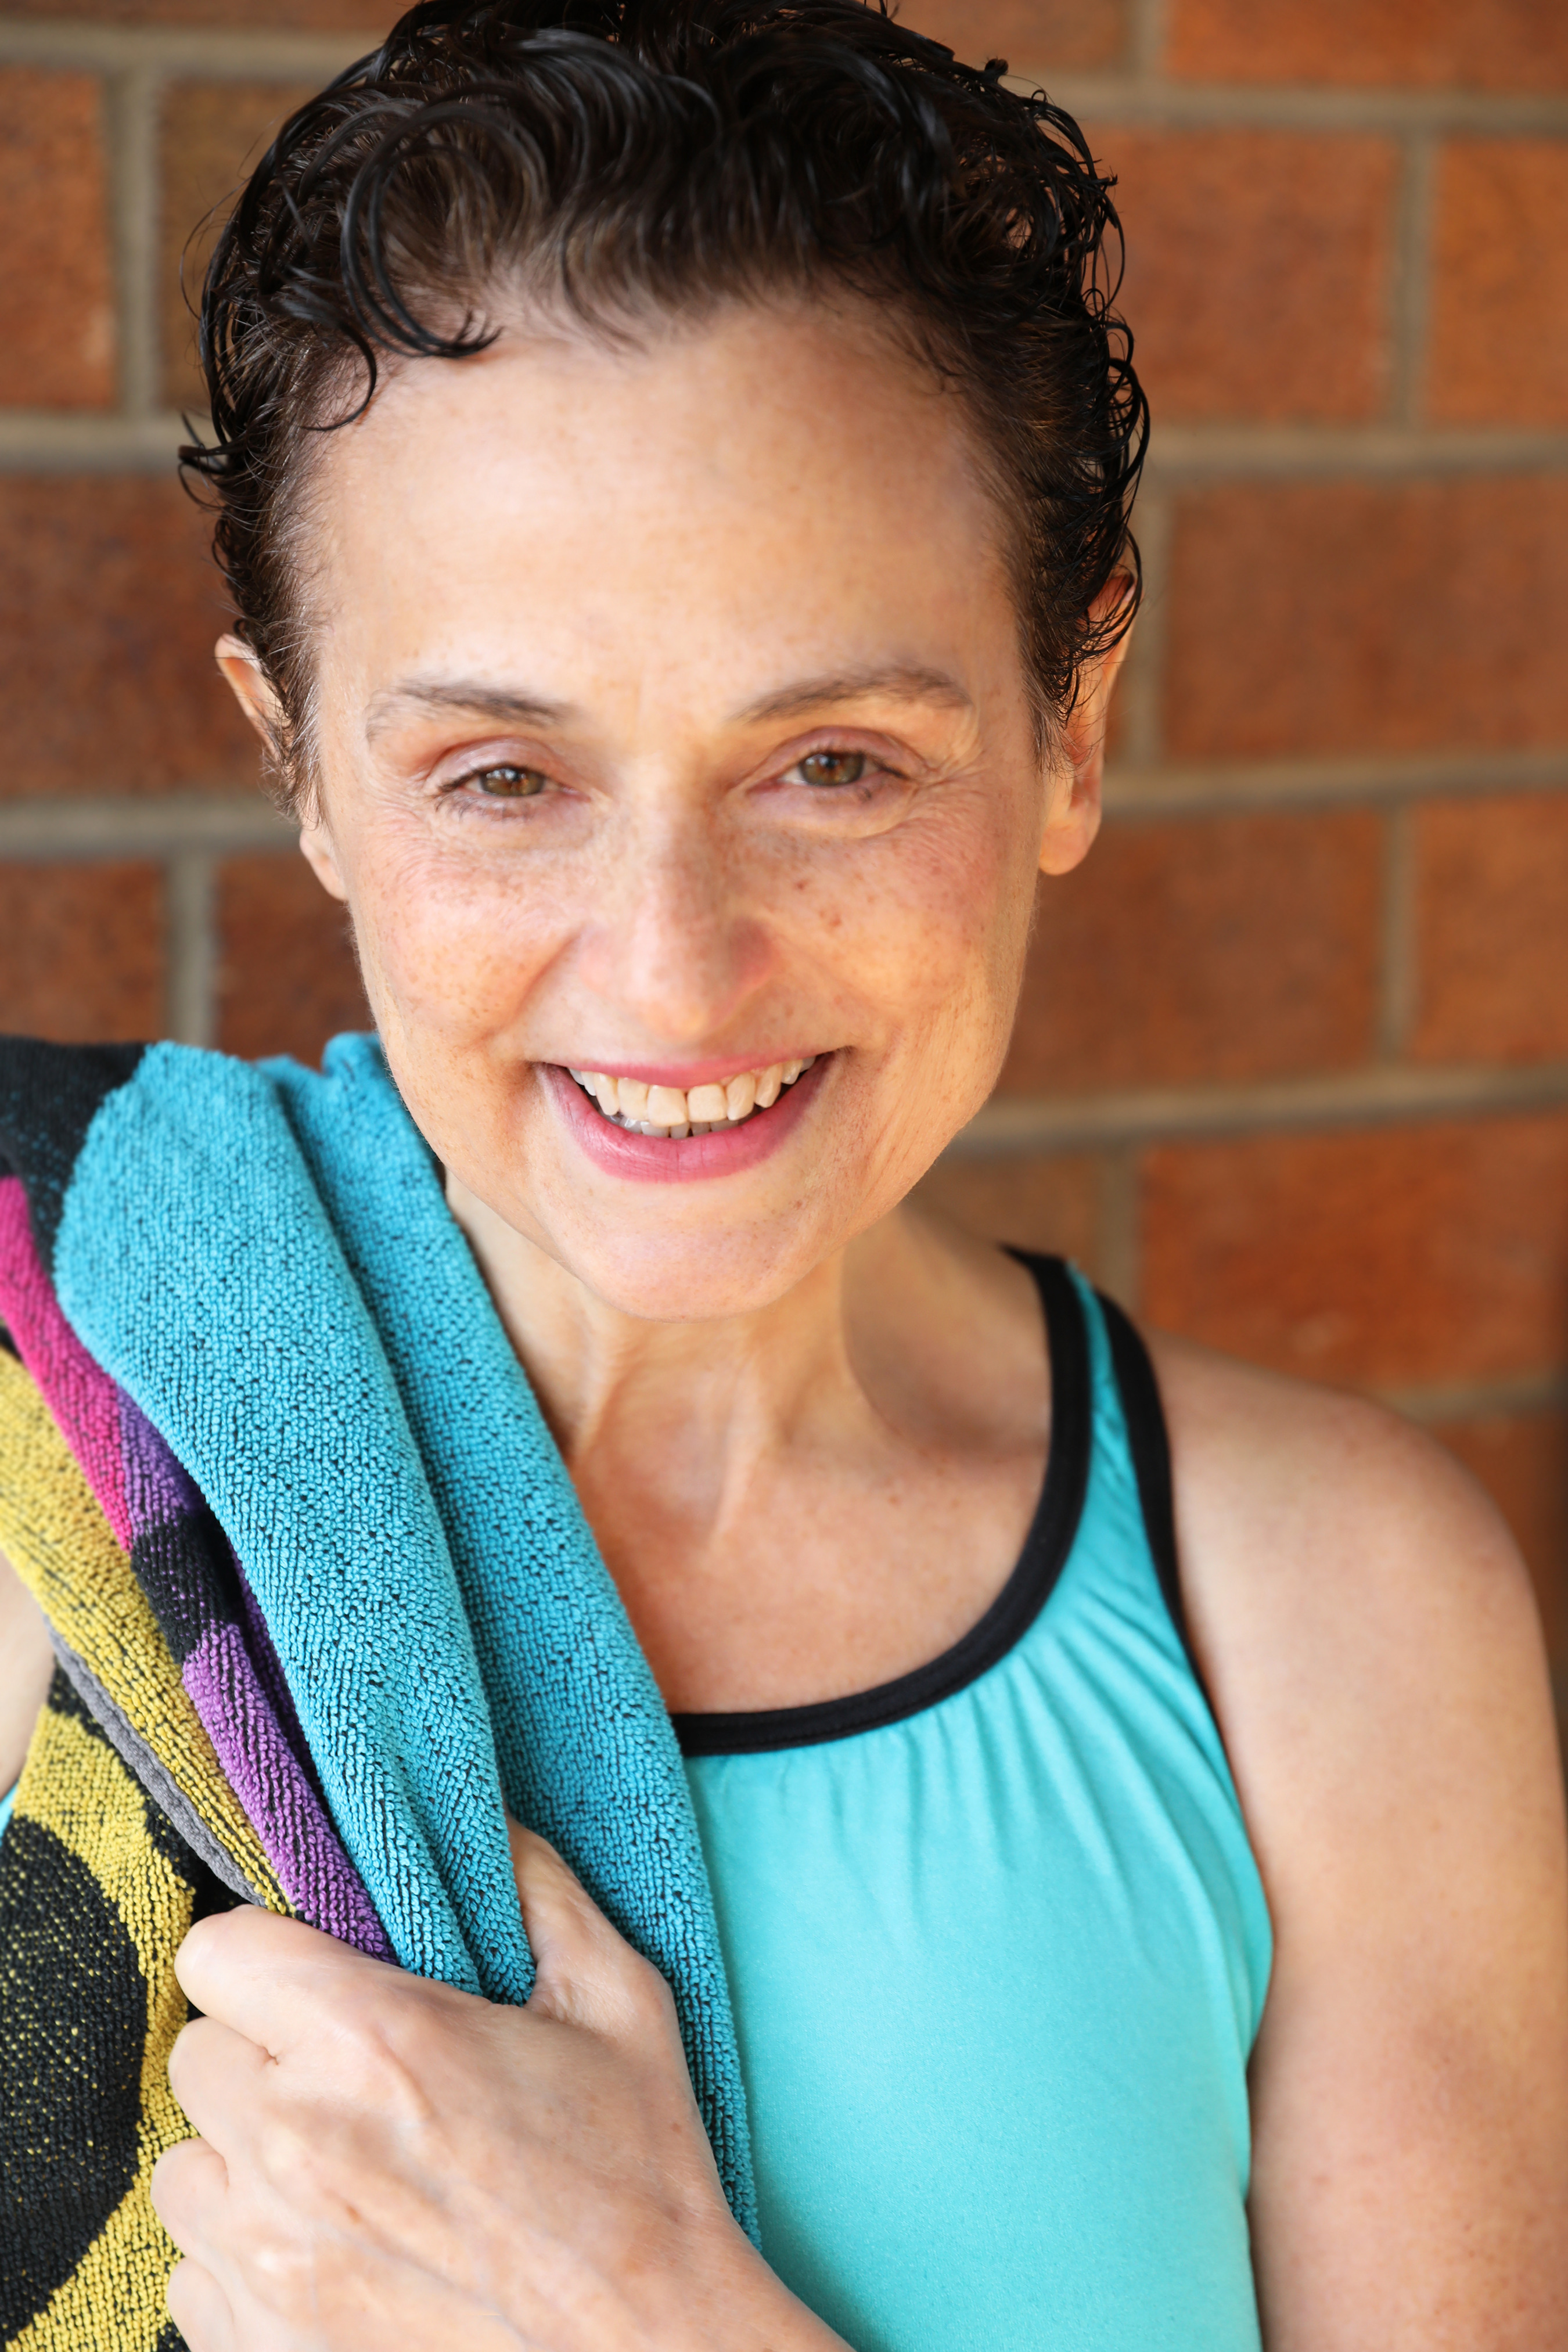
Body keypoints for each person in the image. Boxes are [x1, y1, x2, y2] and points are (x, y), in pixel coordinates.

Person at [1, 2, 1565, 2346]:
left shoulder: (1329, 1623)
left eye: (834, 761)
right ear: (303, 766)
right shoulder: (49, 1478)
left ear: (1070, 725)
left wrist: (641, 2306)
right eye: (500, 777)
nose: (674, 967)